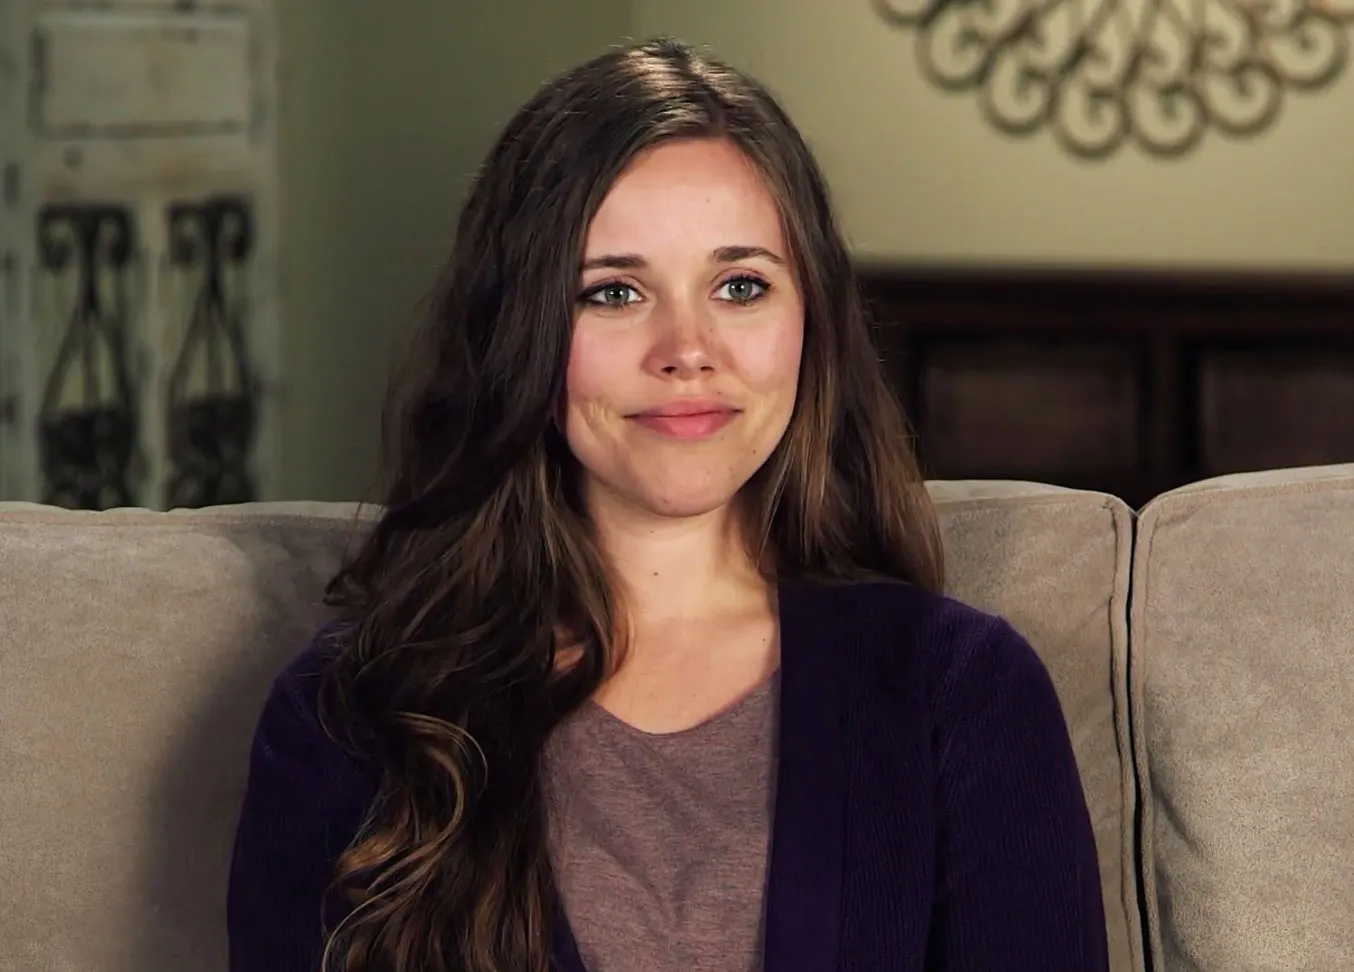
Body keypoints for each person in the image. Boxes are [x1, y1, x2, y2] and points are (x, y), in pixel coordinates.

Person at [227, 37, 1108, 972]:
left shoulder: (962, 693)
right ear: (519, 332)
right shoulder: (352, 715)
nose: (688, 349)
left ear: (810, 322)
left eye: (741, 286)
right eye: (614, 292)